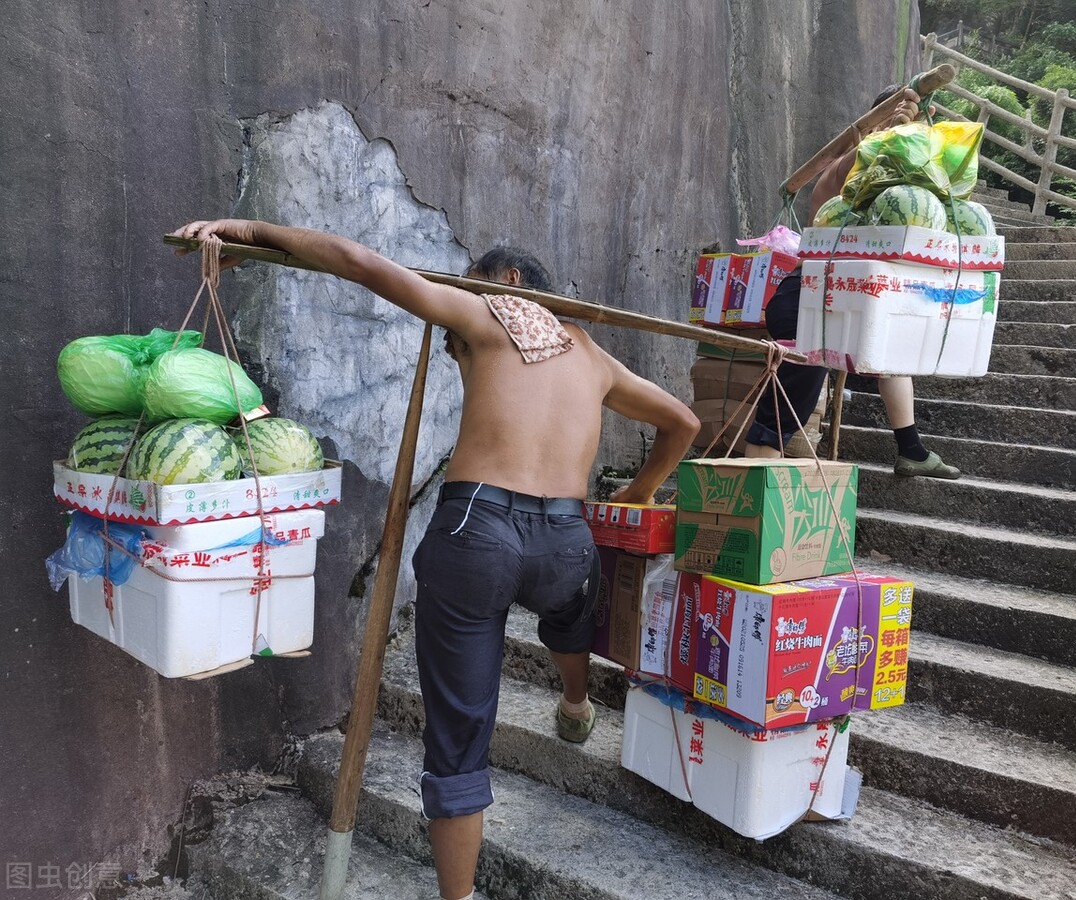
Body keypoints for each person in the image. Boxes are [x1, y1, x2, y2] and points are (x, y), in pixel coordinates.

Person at [172, 219, 700, 900]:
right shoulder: (593, 356)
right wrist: (640, 491)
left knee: (458, 740)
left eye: (471, 284)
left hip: (477, 531)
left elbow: (359, 262)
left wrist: (252, 230)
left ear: (509, 282)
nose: (458, 308)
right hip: (566, 540)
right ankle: (575, 702)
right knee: (574, 608)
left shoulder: (488, 313)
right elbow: (683, 422)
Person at [746, 85, 961, 480]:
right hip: (809, 299)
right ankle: (750, 490)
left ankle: (911, 450)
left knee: (894, 356)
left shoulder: (896, 173)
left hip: (846, 297)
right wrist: (891, 135)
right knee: (784, 411)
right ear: (881, 122)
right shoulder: (855, 161)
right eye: (908, 127)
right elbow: (870, 170)